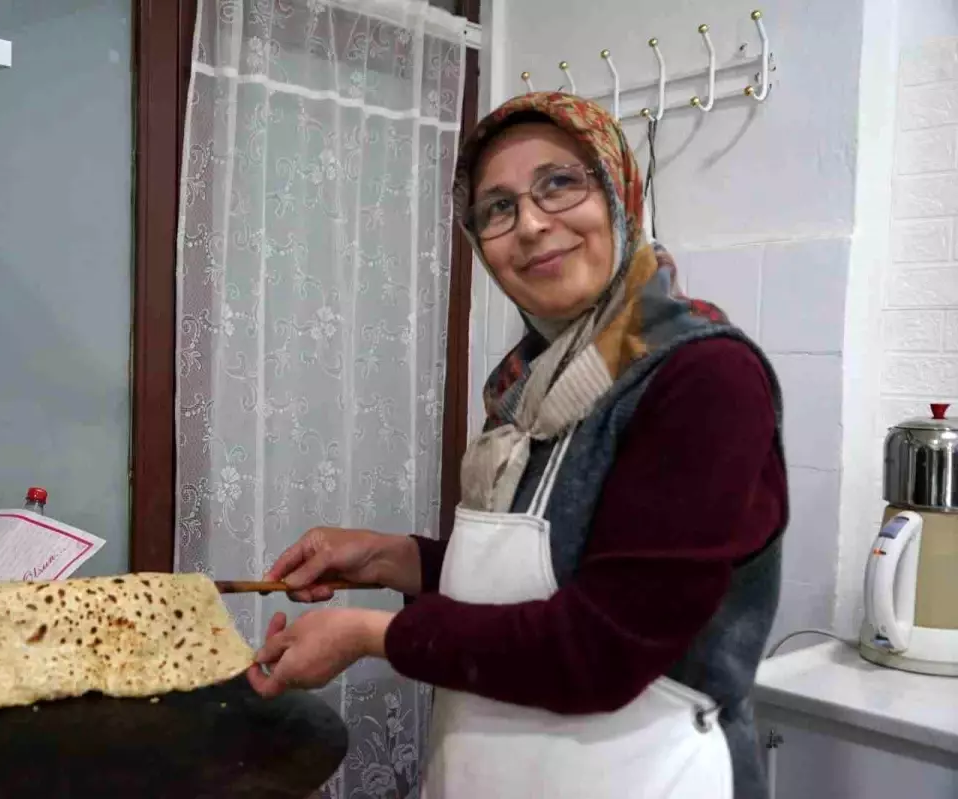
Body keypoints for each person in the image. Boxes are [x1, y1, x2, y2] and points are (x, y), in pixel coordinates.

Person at [246, 92, 787, 799]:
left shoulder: (704, 378)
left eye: (560, 183)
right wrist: (388, 556)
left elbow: (602, 648)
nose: (530, 224)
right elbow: (544, 579)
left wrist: (366, 635)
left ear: (621, 192)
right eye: (497, 208)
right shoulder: (529, 386)